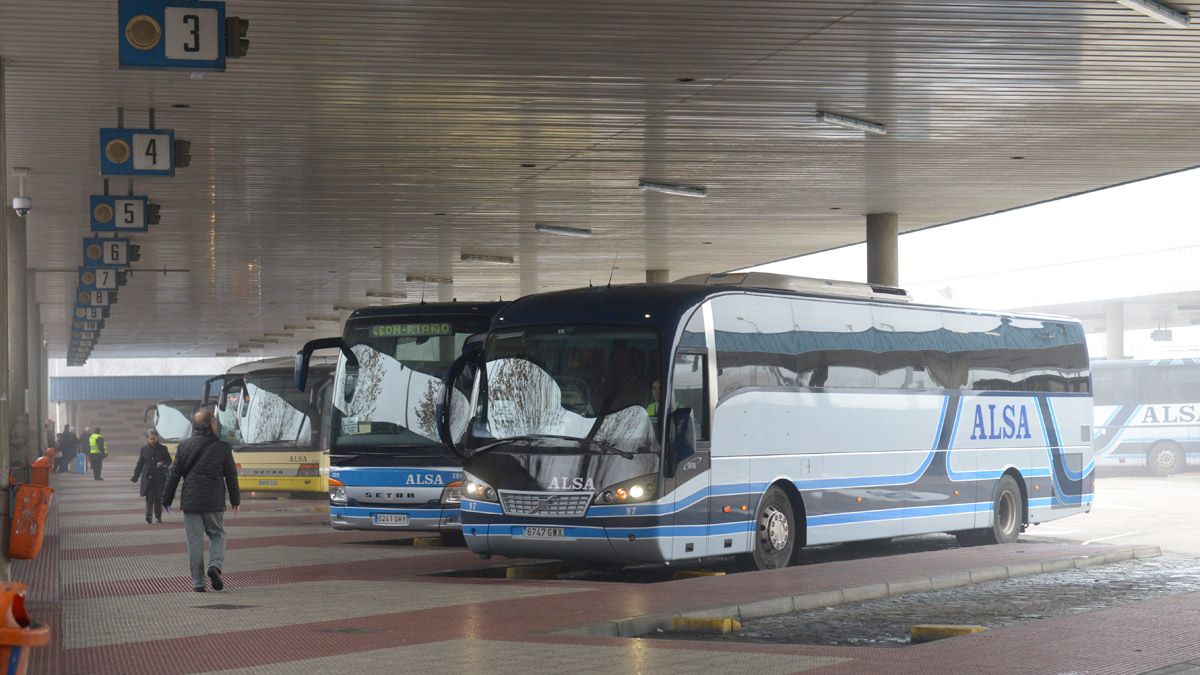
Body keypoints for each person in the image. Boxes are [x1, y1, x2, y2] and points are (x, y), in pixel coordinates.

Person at [162, 408, 240, 592]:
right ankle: (215, 566)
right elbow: (231, 475)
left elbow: (174, 475)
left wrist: (166, 499)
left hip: (191, 500)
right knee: (217, 534)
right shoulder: (222, 447)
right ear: (211, 424)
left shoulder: (184, 446)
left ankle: (198, 583)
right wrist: (235, 499)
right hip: (213, 500)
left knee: (194, 541)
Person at [131, 429, 172, 524]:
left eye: (154, 438)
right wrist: (135, 476)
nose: (153, 440)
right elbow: (140, 464)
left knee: (158, 498)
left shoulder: (163, 448)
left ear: (157, 438)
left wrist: (164, 464)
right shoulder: (144, 449)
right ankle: (148, 515)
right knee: (149, 498)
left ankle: (158, 517)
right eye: (151, 439)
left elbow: (169, 460)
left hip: (160, 477)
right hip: (148, 477)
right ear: (147, 439)